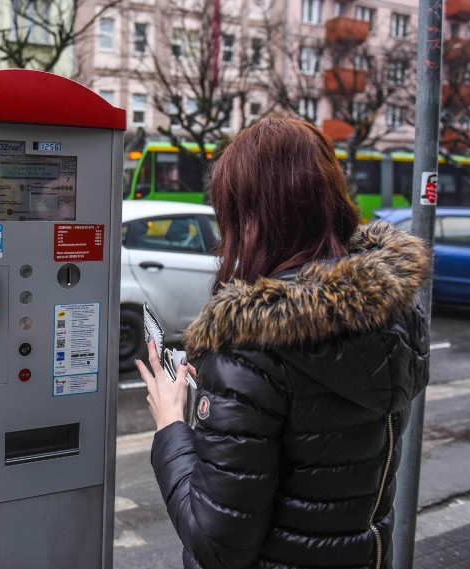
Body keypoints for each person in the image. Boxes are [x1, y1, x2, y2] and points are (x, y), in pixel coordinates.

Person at [137, 116, 430, 569]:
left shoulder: (252, 350)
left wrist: (171, 424)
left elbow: (216, 544)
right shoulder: (391, 314)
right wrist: (230, 399)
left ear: (248, 218)